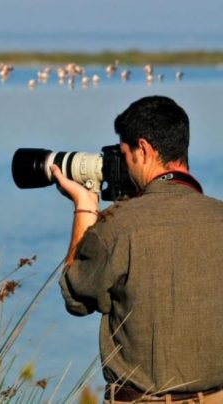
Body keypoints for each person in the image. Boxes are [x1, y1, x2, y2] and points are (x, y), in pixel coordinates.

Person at [52, 95, 223, 403]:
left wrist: (85, 209)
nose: (125, 166)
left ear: (143, 149)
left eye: (125, 154)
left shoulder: (118, 227)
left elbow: (76, 298)